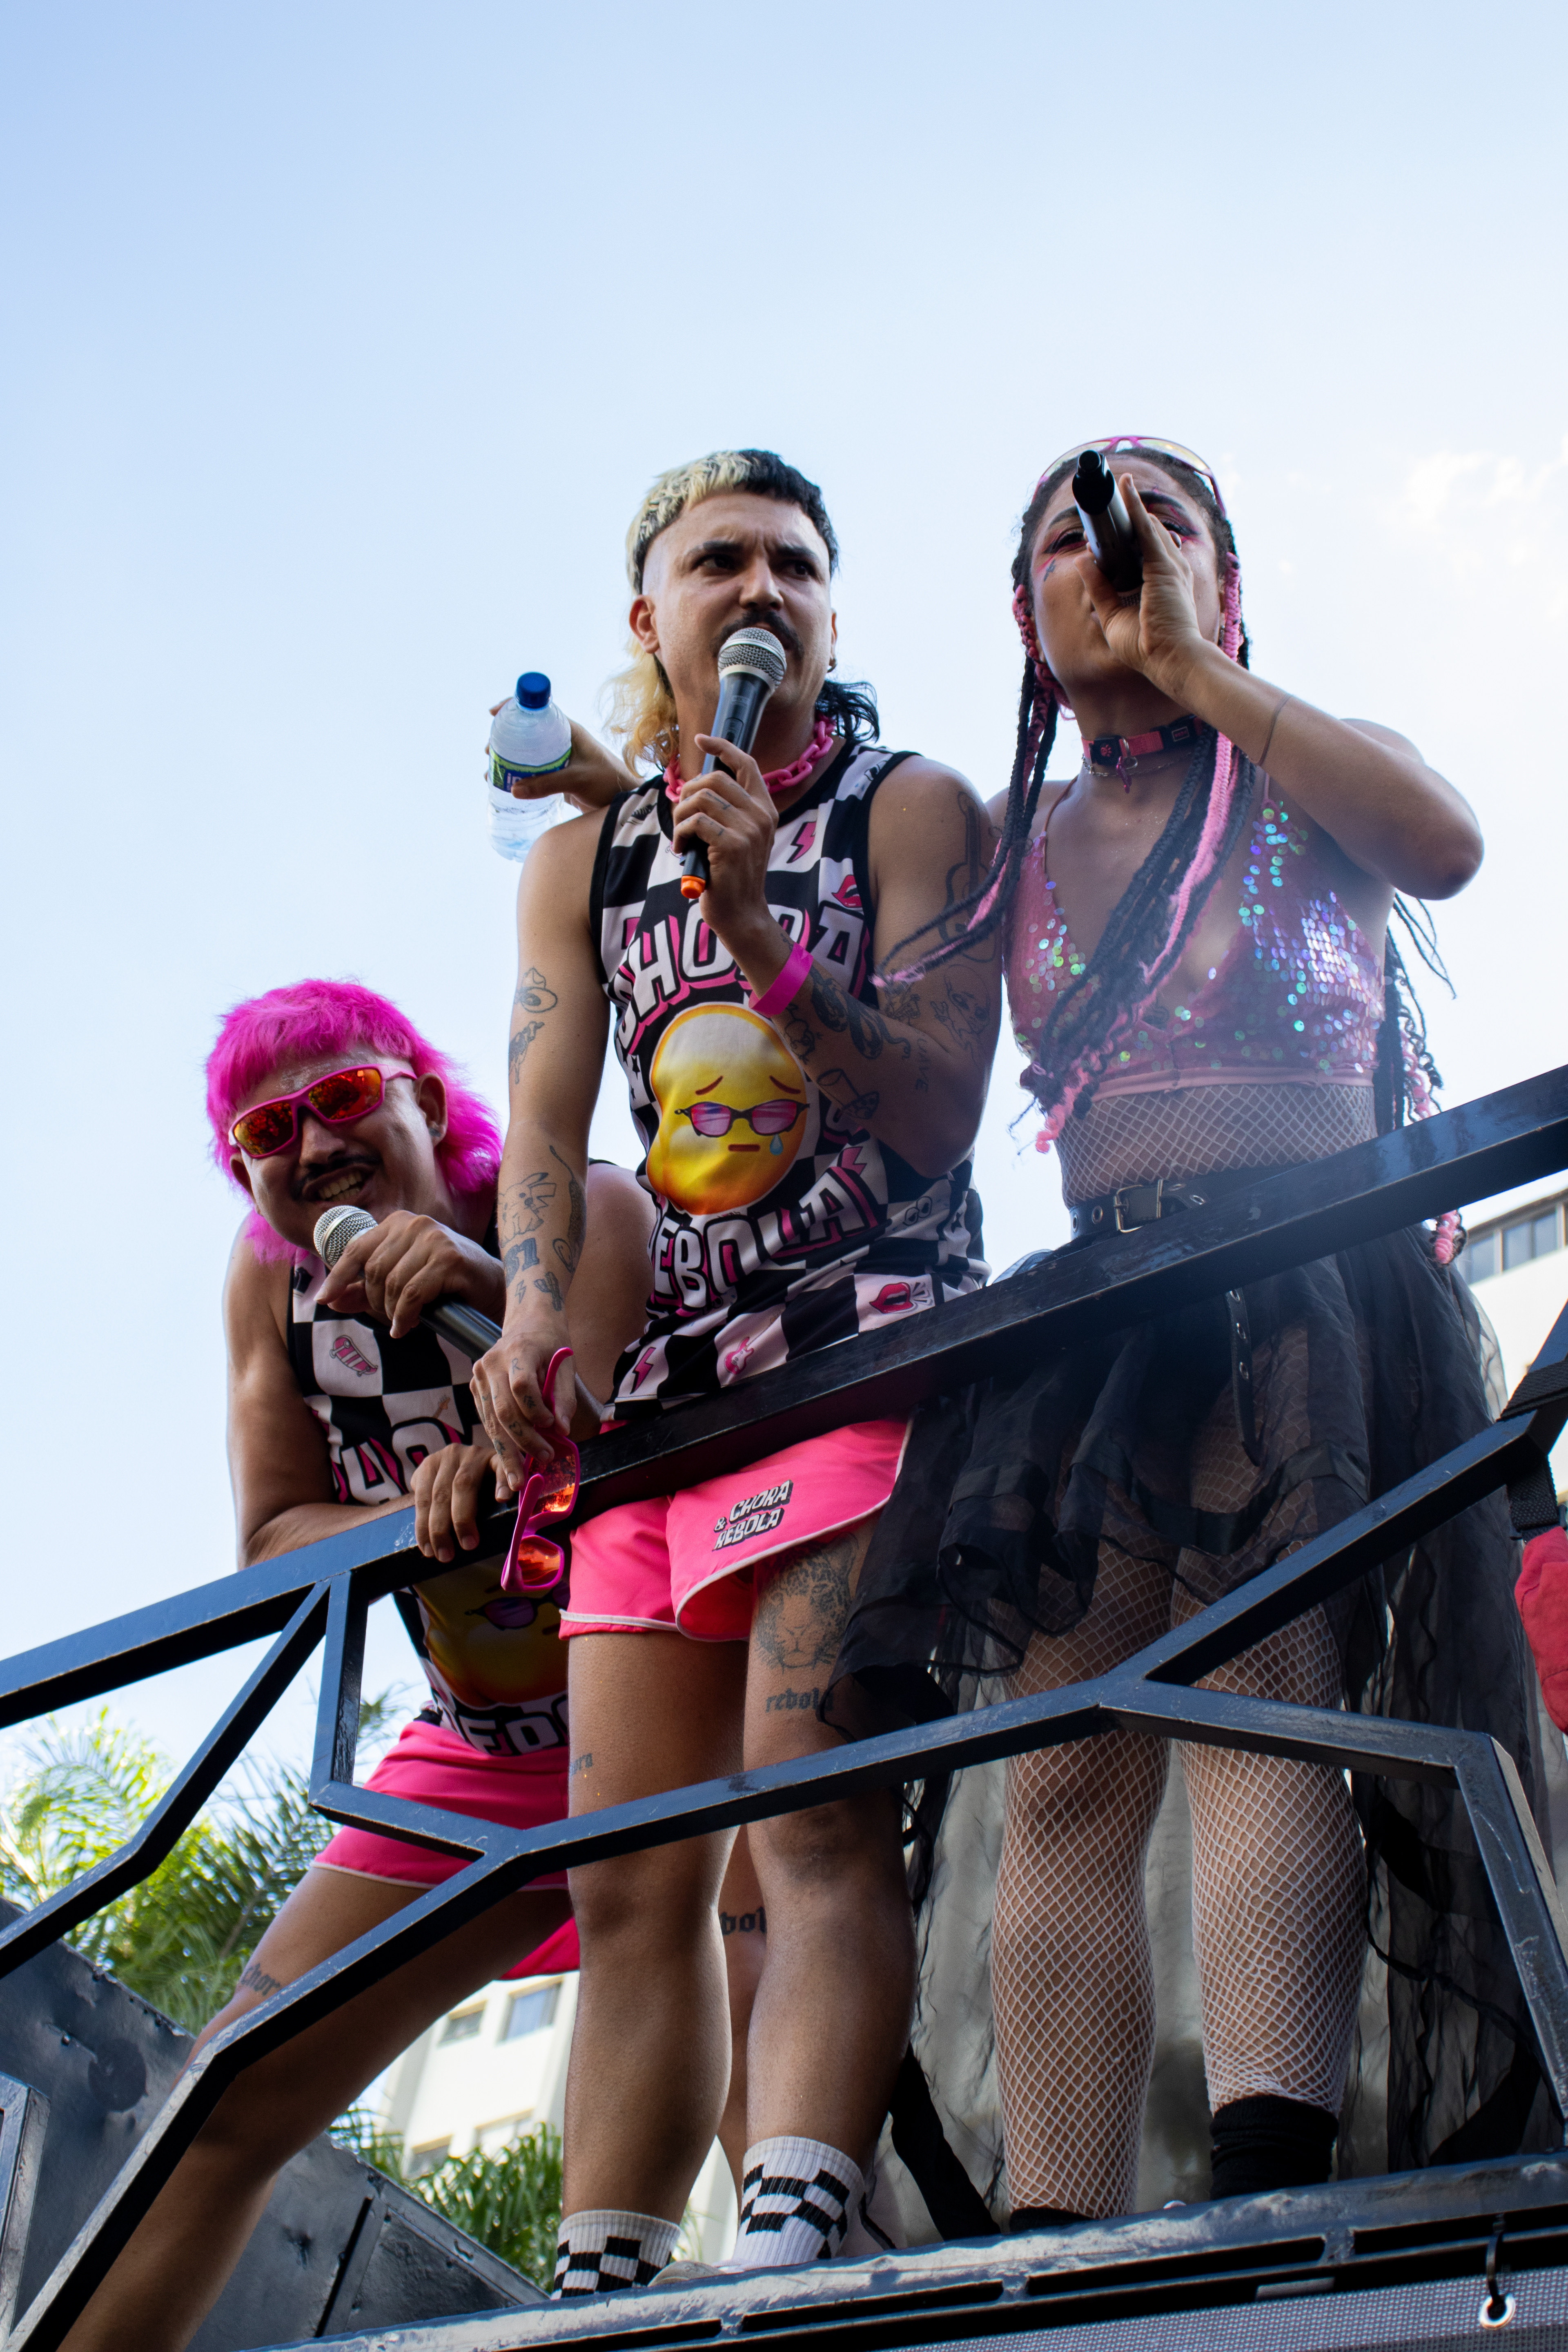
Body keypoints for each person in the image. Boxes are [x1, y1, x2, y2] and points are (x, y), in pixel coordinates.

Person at [826, 437, 1551, 2225]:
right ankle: (1060, 2225)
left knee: (1262, 1714)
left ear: (1230, 578)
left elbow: (1447, 847)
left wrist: (1202, 672)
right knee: (1068, 1771)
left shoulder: (1296, 763)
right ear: (1023, 612)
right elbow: (919, 1094)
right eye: (1082, 540)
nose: (1122, 554)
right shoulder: (1014, 851)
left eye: (1167, 524)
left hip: (1296, 1288)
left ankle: (1265, 2187)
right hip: (1100, 1317)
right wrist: (768, 953)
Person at [468, 448, 999, 2292]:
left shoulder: (911, 805)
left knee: (810, 1806)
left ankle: (792, 2236)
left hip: (866, 1347)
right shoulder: (582, 863)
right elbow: (546, 1121)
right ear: (654, 616)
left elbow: (939, 1113)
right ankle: (607, 2269)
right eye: (720, 564)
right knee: (633, 1876)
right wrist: (538, 1313)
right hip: (670, 1401)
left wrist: (767, 932)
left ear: (832, 611)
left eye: (795, 565)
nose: (761, 590)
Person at [58, 976, 749, 2352]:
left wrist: (497, 1295)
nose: (310, 1146)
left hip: (666, 1703)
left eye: (342, 1098)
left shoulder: (578, 1206)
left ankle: (650, 2297)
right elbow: (271, 1540)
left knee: (775, 2071)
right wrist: (415, 1510)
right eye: (267, 1131)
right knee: (226, 2093)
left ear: (428, 1102)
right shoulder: (274, 1290)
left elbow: (611, 1430)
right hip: (477, 1755)